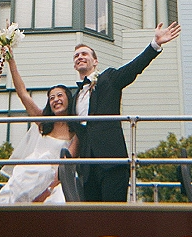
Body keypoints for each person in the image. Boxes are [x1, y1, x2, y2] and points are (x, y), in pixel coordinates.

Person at [73, 20, 181, 202]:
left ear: (95, 61)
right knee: (92, 219)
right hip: (87, 168)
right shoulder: (75, 96)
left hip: (112, 162)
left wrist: (154, 45)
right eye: (76, 56)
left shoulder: (109, 78)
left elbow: (133, 68)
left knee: (114, 217)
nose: (79, 57)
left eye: (84, 53)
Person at [0, 50, 78, 204]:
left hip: (55, 181)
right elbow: (23, 94)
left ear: (68, 99)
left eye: (60, 96)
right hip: (29, 175)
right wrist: (11, 61)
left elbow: (66, 165)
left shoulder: (75, 131)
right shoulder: (43, 122)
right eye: (51, 98)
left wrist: (48, 190)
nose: (56, 100)